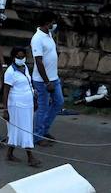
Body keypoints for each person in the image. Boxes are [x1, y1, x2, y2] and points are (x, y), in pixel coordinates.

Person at [1, 46, 41, 167]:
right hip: (16, 105)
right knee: (24, 129)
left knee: (20, 128)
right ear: (13, 57)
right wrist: (5, 109)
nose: (21, 58)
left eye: (23, 56)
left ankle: (9, 153)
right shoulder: (10, 72)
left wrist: (34, 96)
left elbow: (29, 84)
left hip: (27, 104)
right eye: (18, 57)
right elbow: (6, 92)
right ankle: (30, 156)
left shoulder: (25, 68)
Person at [31, 12, 64, 145]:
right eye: (52, 22)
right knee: (43, 107)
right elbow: (38, 61)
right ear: (46, 23)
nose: (53, 24)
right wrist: (46, 81)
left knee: (59, 102)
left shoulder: (48, 34)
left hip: (53, 78)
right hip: (42, 80)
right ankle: (37, 136)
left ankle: (44, 129)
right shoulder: (37, 38)